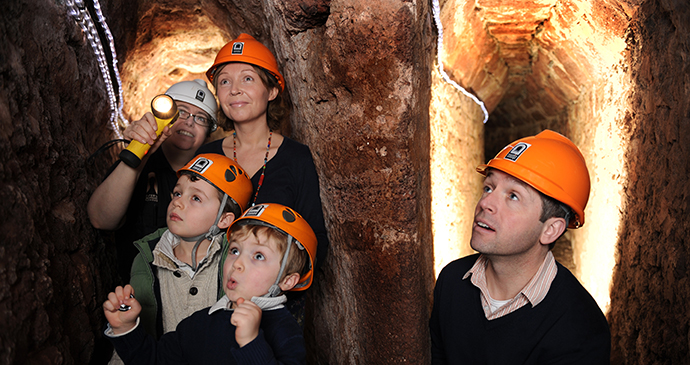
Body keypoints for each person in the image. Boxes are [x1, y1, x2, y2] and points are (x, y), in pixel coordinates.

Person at [429, 130, 611, 364]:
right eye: (489, 187)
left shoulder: (581, 328)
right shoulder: (451, 281)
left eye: (513, 196)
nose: (485, 203)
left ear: (550, 230)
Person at [196, 33, 329, 323]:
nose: (234, 90)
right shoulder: (206, 157)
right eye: (224, 81)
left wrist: (277, 292)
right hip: (204, 302)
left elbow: (315, 238)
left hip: (273, 309)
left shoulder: (296, 158)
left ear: (271, 91)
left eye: (247, 79)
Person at [103, 203, 317, 364]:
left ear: (287, 280)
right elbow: (155, 361)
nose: (237, 264)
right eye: (234, 250)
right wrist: (125, 328)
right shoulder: (199, 322)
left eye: (258, 256)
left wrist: (252, 344)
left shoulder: (284, 330)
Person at [88, 79, 220, 282]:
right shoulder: (140, 162)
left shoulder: (213, 178)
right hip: (138, 293)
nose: (190, 122)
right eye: (182, 112)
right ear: (166, 116)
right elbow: (101, 219)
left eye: (201, 118)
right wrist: (138, 156)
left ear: (209, 133)